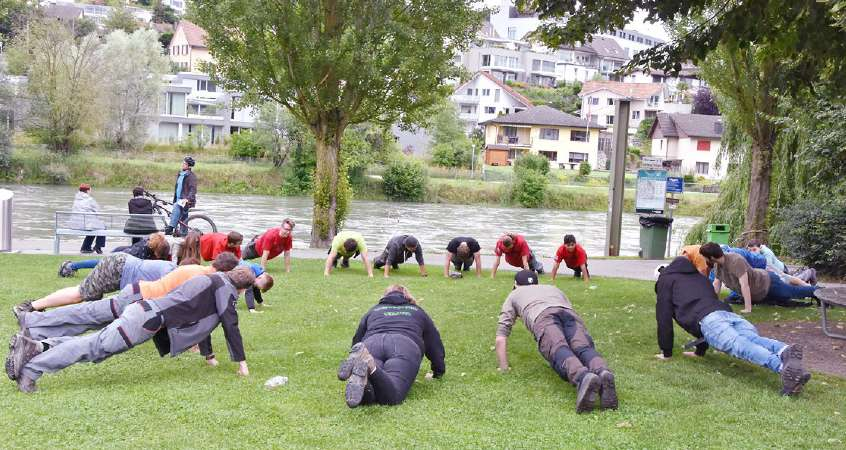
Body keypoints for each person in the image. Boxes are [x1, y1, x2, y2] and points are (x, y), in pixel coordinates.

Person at [7, 267, 255, 393]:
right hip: (144, 320)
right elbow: (229, 323)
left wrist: (208, 355)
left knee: (96, 345)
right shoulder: (225, 289)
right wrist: (241, 363)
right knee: (93, 347)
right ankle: (32, 368)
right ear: (242, 289)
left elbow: (206, 322)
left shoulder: (213, 280)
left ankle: (37, 346)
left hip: (142, 311)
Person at [654, 256, 811, 396]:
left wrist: (666, 352)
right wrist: (699, 352)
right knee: (752, 339)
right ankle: (784, 349)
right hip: (727, 314)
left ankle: (783, 368)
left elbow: (664, 317)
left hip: (709, 320)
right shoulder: (699, 278)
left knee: (740, 346)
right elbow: (702, 306)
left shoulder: (665, 281)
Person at [16, 253, 240, 341]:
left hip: (135, 295)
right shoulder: (198, 277)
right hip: (134, 294)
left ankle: (37, 330)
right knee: (83, 303)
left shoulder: (196, 272)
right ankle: (32, 315)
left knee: (90, 319)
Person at [495, 270, 617, 414]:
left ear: (515, 285)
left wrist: (503, 367)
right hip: (569, 314)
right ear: (536, 283)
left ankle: (583, 377)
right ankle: (603, 371)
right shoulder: (553, 288)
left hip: (543, 317)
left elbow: (501, 336)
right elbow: (568, 307)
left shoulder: (514, 294)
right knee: (583, 347)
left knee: (559, 349)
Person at [337, 285, 445, 408]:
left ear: (384, 297)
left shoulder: (374, 310)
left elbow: (357, 339)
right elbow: (434, 343)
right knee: (393, 396)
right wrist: (438, 371)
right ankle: (370, 366)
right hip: (404, 345)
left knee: (371, 395)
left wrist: (355, 361)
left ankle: (366, 376)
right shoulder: (417, 311)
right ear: (407, 296)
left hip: (371, 344)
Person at [14, 254, 176, 316]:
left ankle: (35, 305)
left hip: (121, 264)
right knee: (79, 294)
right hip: (118, 269)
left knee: (82, 296)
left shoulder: (174, 270)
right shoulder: (172, 273)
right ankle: (30, 306)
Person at [699, 242, 818, 313]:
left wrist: (748, 308)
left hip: (768, 282)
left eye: (704, 257)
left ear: (711, 256)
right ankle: (817, 298)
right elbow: (716, 284)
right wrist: (712, 304)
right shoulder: (716, 265)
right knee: (784, 301)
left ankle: (821, 292)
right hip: (759, 292)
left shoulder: (736, 261)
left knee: (794, 292)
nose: (703, 260)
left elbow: (745, 285)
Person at [58, 232, 171, 277]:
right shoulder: (142, 253)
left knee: (98, 263)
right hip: (118, 258)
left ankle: (71, 266)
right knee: (99, 263)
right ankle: (70, 267)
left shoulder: (149, 242)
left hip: (122, 251)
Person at [69, 183, 106, 254]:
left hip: (75, 223)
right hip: (85, 223)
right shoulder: (90, 199)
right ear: (87, 191)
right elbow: (98, 210)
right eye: (90, 190)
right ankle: (98, 246)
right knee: (103, 227)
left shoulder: (76, 199)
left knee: (93, 227)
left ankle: (85, 247)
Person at [166, 156, 197, 236]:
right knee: (183, 217)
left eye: (184, 163)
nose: (182, 164)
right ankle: (183, 234)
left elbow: (193, 189)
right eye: (183, 163)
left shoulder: (191, 176)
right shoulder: (180, 174)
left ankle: (170, 227)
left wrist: (188, 199)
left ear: (188, 166)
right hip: (178, 199)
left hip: (186, 200)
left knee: (177, 206)